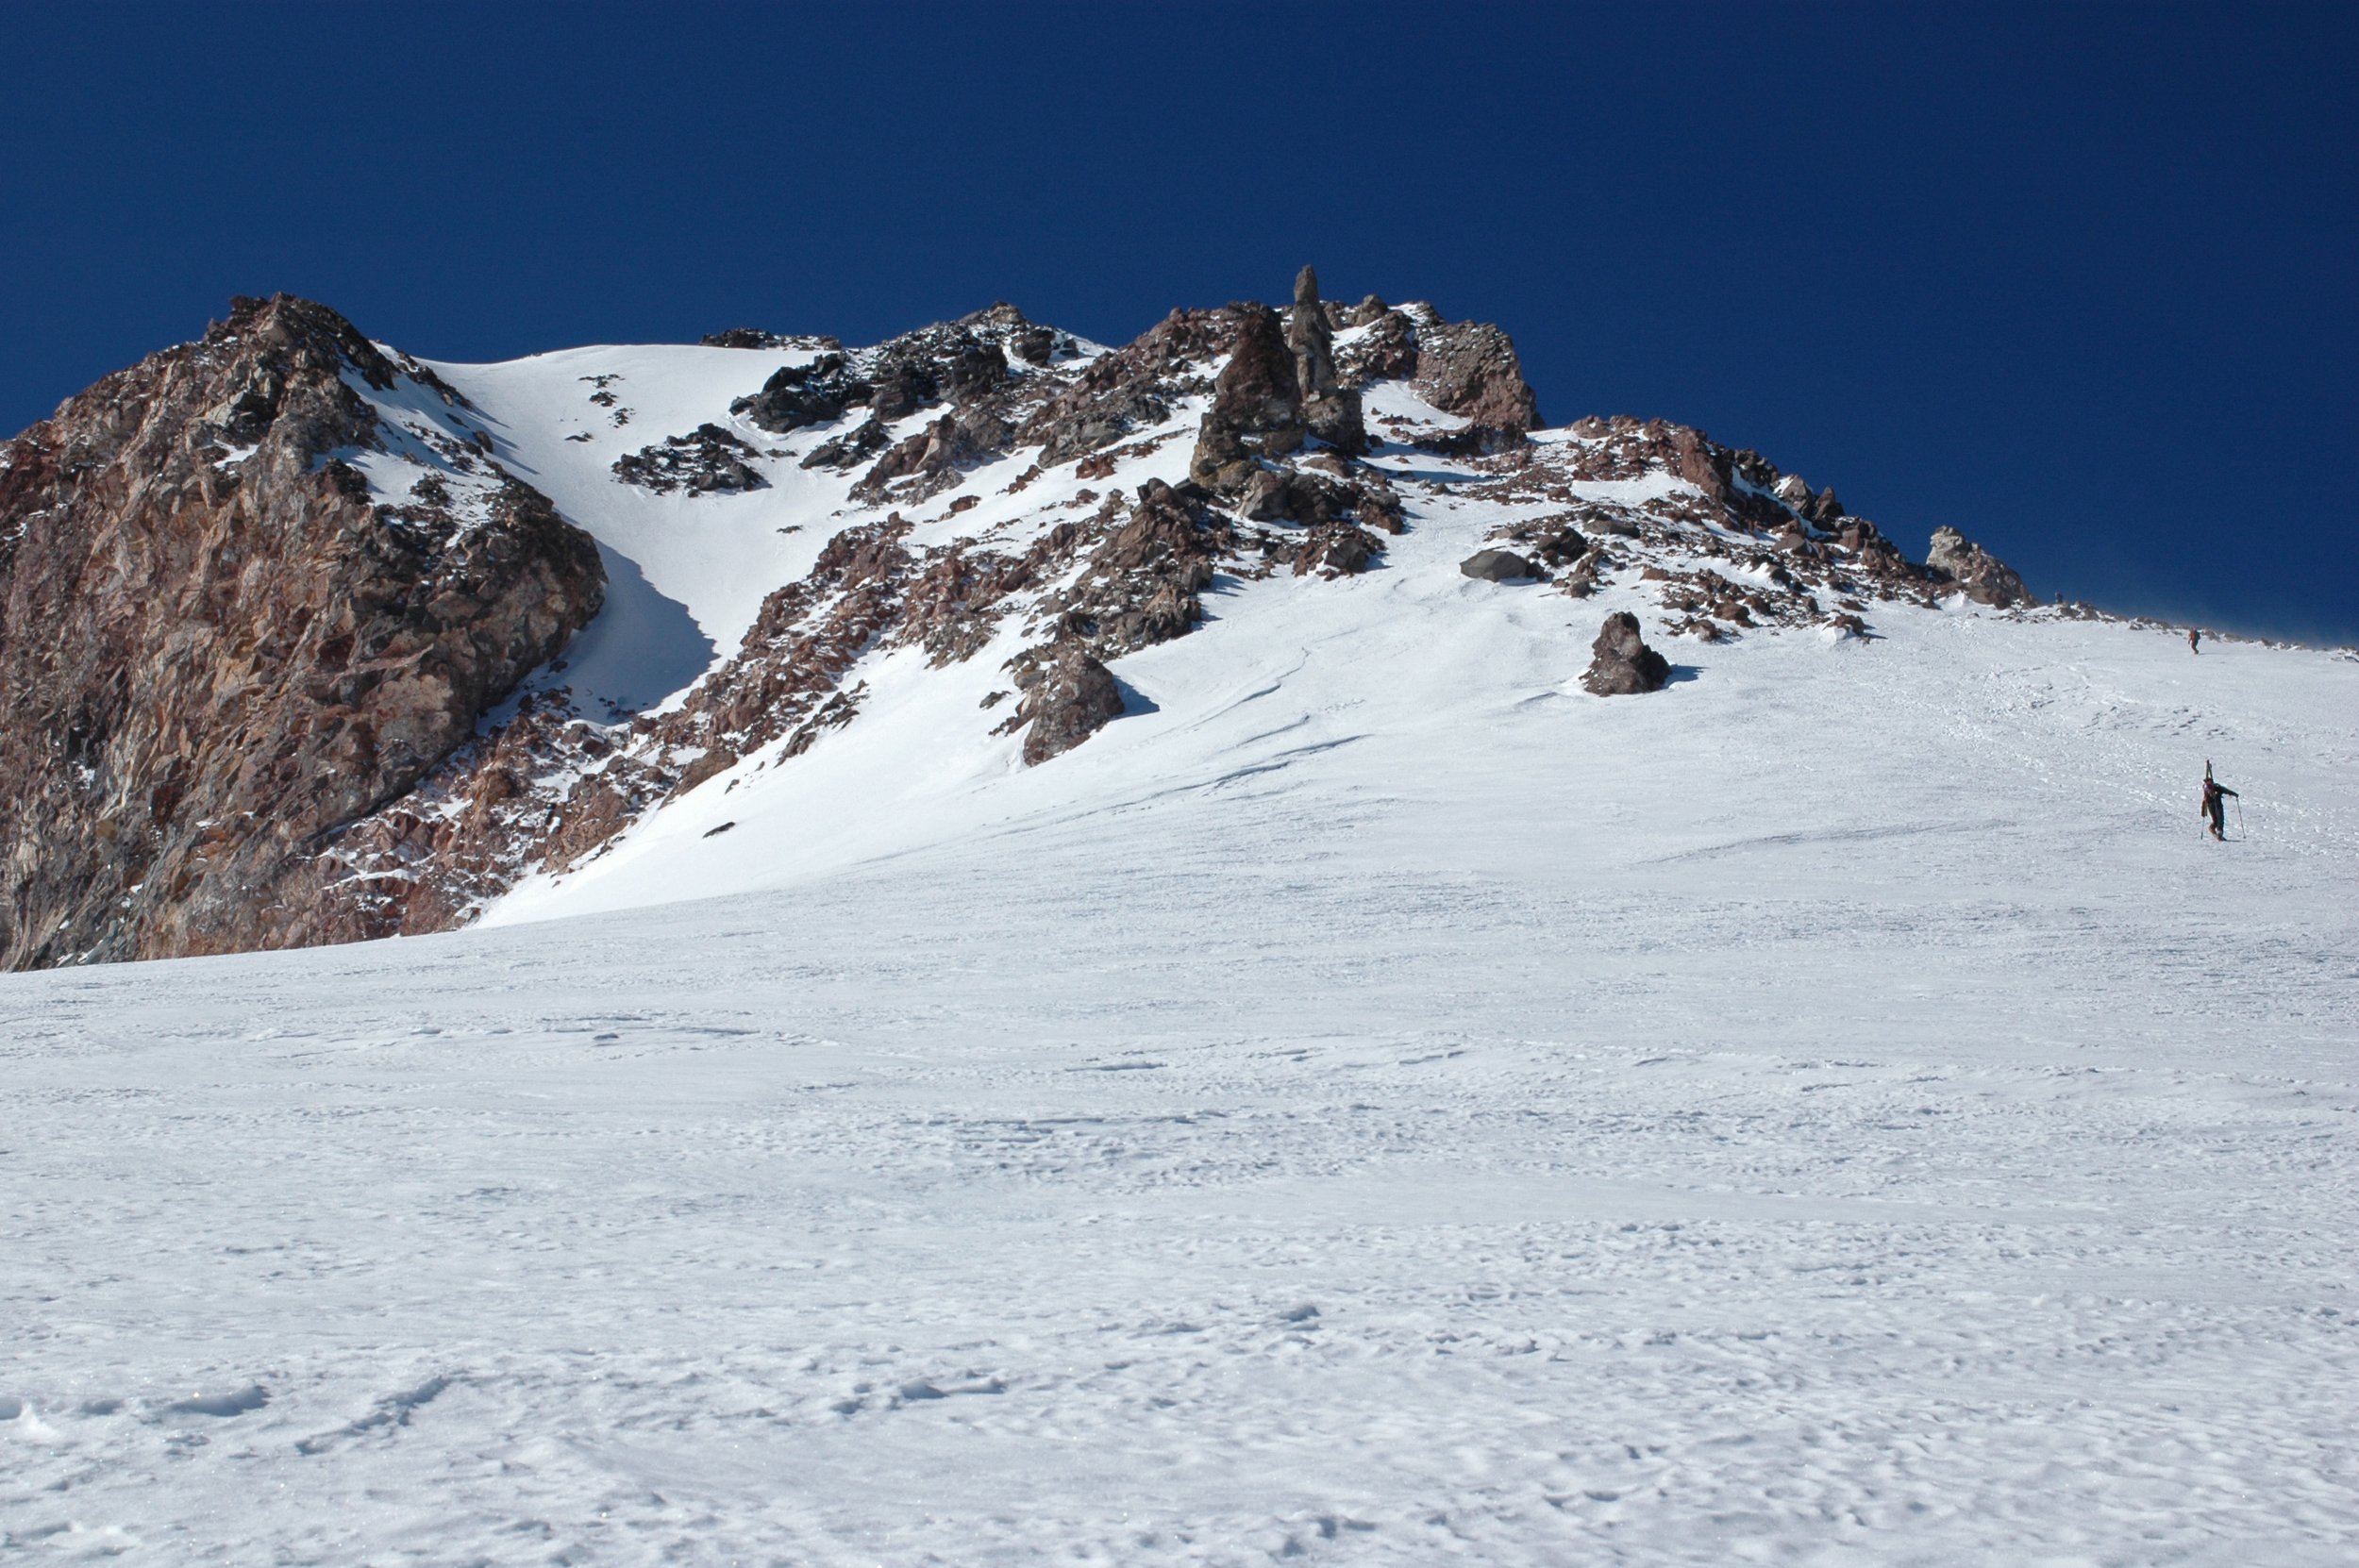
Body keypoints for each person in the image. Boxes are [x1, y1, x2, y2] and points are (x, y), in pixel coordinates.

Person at [2201, 760, 2238, 841]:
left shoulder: (2211, 787)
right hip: (2214, 804)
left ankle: (2217, 832)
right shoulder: (2211, 787)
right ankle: (2217, 832)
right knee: (2218, 819)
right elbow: (2224, 790)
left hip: (2214, 804)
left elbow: (2225, 790)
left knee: (2218, 819)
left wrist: (2234, 794)